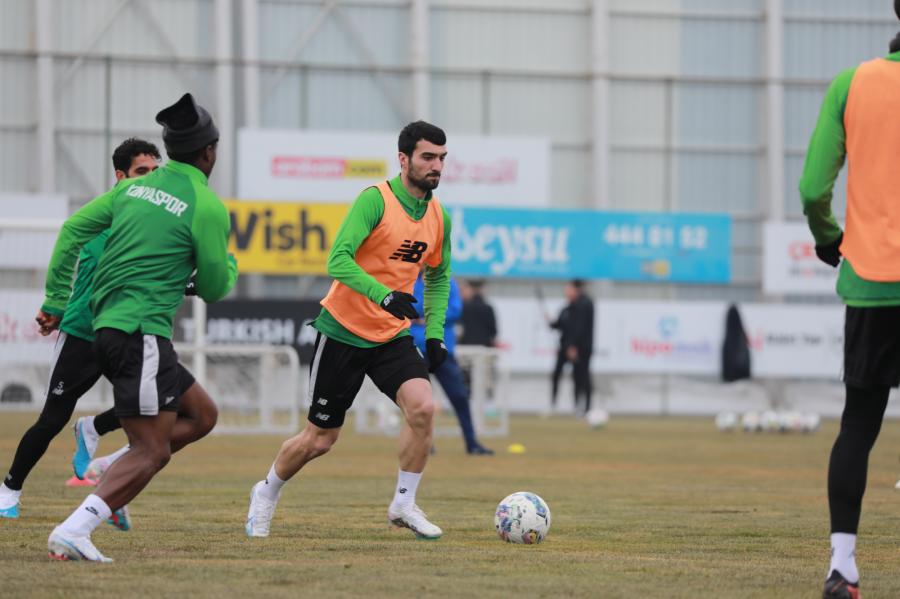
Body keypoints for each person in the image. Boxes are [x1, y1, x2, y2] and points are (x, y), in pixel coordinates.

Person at [37, 93, 236, 562]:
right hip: (140, 333)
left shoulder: (132, 189)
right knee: (152, 451)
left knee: (202, 415)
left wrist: (55, 301)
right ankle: (74, 529)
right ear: (209, 152)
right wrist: (227, 264)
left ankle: (109, 463)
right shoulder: (206, 206)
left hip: (109, 331)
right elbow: (213, 288)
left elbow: (72, 230)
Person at [245, 121, 452, 541]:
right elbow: (337, 260)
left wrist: (435, 334)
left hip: (391, 335)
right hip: (343, 330)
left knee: (423, 409)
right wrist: (384, 296)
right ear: (403, 159)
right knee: (320, 440)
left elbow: (439, 276)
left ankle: (404, 504)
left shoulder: (438, 216)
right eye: (428, 157)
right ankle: (266, 491)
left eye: (442, 158)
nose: (437, 166)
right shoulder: (375, 200)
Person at [0, 138, 165, 524]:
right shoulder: (103, 218)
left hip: (125, 332)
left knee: (155, 407)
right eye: (141, 172)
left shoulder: (157, 221)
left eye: (155, 172)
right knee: (51, 420)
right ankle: (9, 490)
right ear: (120, 176)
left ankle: (98, 447)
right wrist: (55, 305)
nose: (150, 179)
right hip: (85, 333)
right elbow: (76, 248)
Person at [799, 6, 900, 596]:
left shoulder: (852, 83)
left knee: (859, 424)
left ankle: (842, 566)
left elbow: (814, 188)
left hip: (870, 282)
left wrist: (828, 237)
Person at [411, 275, 493, 455]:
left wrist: (423, 317)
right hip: (416, 349)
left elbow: (455, 312)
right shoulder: (410, 281)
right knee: (419, 401)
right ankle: (424, 444)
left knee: (459, 396)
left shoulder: (448, 283)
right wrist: (435, 312)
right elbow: (407, 308)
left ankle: (471, 442)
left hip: (443, 350)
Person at [547, 280, 594, 416]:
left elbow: (579, 328)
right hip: (565, 346)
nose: (566, 292)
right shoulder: (568, 307)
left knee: (581, 377)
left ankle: (585, 407)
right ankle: (553, 404)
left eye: (569, 289)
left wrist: (573, 346)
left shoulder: (584, 304)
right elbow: (561, 325)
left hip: (580, 348)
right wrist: (551, 322)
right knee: (557, 374)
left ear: (576, 289)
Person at [458, 279, 497, 347]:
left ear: (471, 290)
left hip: (464, 346)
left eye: (462, 290)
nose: (460, 293)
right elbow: (493, 331)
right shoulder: (487, 308)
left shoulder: (462, 308)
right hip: (484, 346)